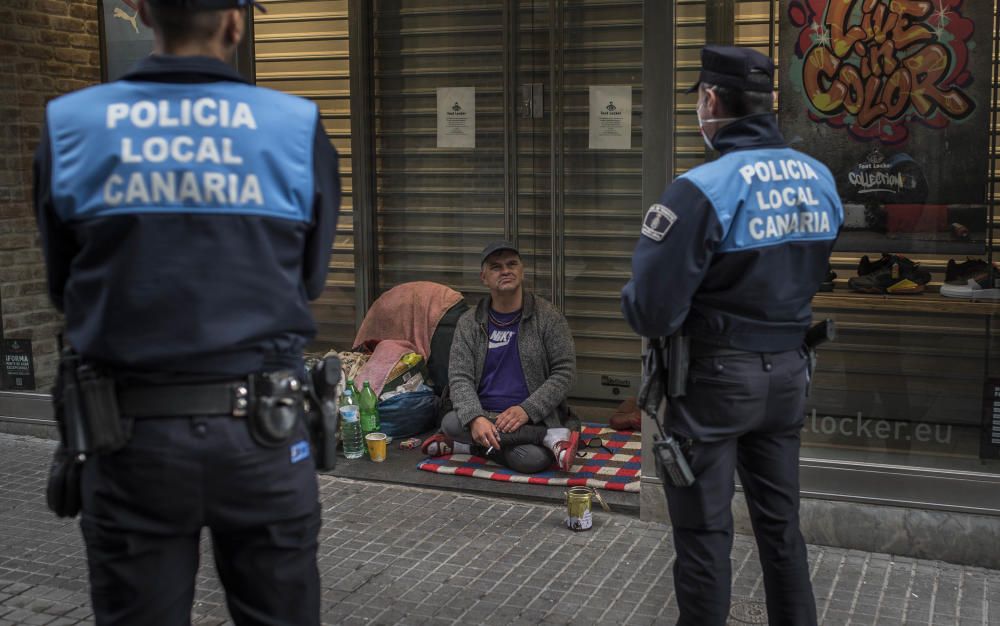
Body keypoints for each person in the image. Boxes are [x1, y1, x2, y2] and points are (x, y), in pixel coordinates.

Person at [34, 0, 340, 623]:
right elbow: (307, 278)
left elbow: (63, 285)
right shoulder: (292, 125)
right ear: (236, 21)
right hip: (265, 435)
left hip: (127, 440)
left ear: (144, 13)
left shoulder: (73, 124)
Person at [621, 46, 843, 626]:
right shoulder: (818, 179)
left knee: (704, 533)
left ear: (712, 100)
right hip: (789, 375)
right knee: (781, 528)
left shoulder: (701, 189)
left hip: (714, 382)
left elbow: (649, 309)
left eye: (699, 99)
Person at [421, 241, 580, 473]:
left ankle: (468, 446)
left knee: (532, 460)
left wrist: (528, 409)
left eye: (512, 264)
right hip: (484, 414)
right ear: (484, 277)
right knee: (452, 422)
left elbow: (565, 372)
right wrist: (475, 418)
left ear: (521, 271)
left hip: (533, 418)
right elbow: (459, 377)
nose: (505, 270)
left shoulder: (548, 317)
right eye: (496, 267)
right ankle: (549, 437)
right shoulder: (469, 322)